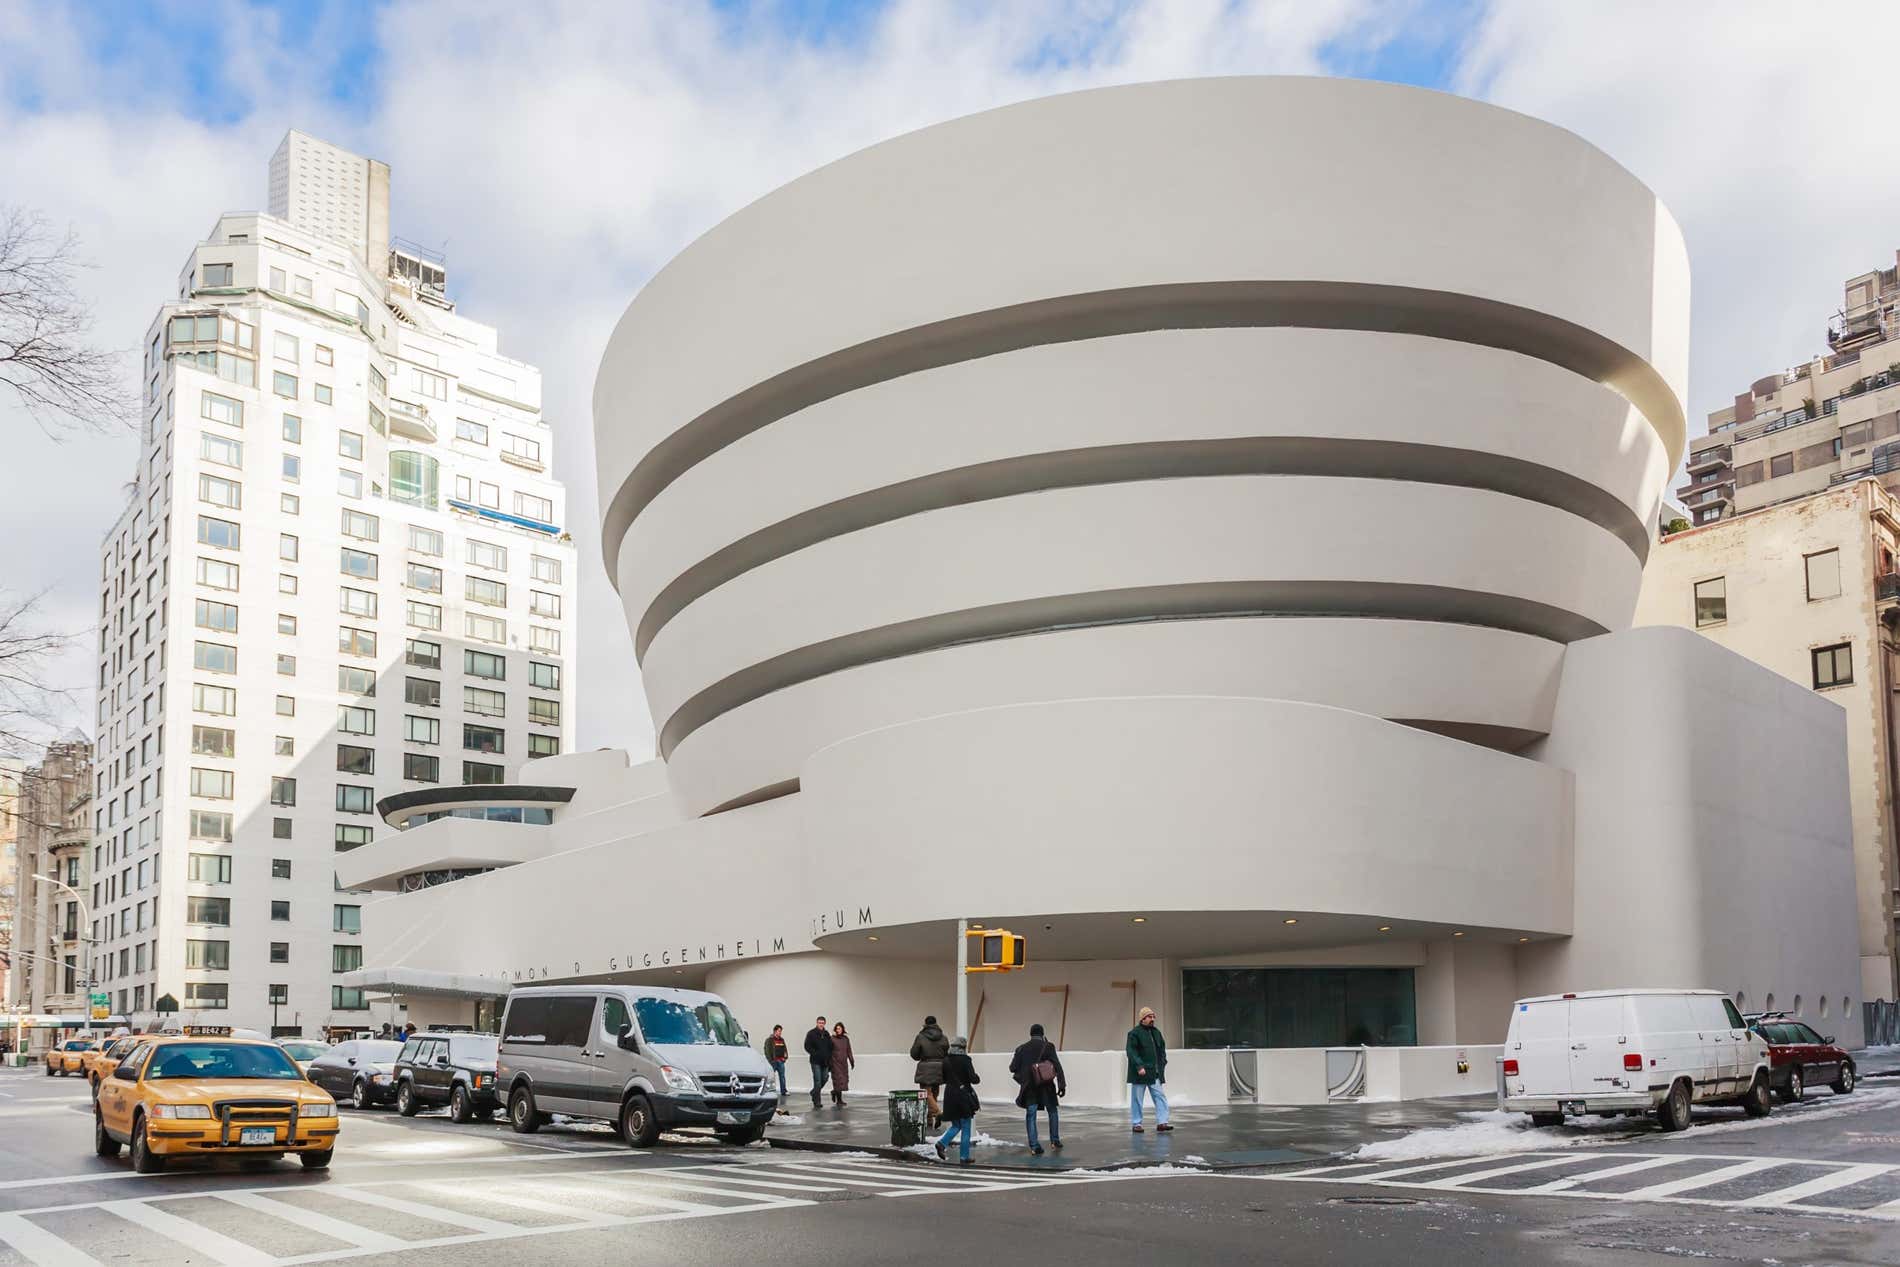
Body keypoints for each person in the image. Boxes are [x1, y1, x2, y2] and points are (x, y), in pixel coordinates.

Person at [1009, 1022, 1066, 1155]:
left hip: (1029, 1087)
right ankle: (1055, 1140)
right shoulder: (1048, 1046)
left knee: (1031, 1114)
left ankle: (1034, 1146)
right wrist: (1062, 1084)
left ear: (1031, 1034)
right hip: (1046, 1086)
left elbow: (1012, 1067)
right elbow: (1057, 1066)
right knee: (1052, 1111)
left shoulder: (1021, 1048)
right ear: (1042, 1034)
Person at [932, 1035, 981, 1166]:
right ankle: (964, 1157)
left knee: (956, 1125)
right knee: (965, 1126)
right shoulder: (965, 1060)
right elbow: (973, 1078)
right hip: (963, 1095)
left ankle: (941, 1144)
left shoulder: (946, 1060)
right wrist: (976, 1077)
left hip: (950, 1094)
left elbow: (943, 1078)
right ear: (963, 1048)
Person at [1126, 1005, 1171, 1132]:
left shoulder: (1156, 1033)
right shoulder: (1134, 1033)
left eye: (1153, 1017)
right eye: (1149, 1017)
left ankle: (1162, 1122)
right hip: (1139, 1073)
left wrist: (1163, 1062)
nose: (1152, 1019)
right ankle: (1137, 1123)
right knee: (1137, 1099)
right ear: (1142, 1019)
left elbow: (1161, 1049)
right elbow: (1131, 1052)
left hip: (1154, 1073)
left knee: (1160, 1097)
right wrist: (1139, 1066)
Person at [910, 1014, 950, 1125]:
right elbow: (947, 1053)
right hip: (940, 1067)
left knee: (926, 1094)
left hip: (925, 1067)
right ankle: (929, 1119)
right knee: (934, 1093)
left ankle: (937, 1113)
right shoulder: (943, 1037)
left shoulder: (920, 1037)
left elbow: (914, 1054)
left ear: (925, 1023)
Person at [803, 1016, 834, 1109]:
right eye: (819, 1022)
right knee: (817, 1081)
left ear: (825, 1023)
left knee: (824, 1078)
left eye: (822, 1023)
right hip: (815, 1061)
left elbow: (830, 1046)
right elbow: (807, 1046)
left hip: (825, 1062)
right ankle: (817, 1101)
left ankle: (814, 1092)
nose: (821, 1024)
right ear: (817, 1023)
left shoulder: (826, 1034)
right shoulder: (811, 1033)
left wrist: (829, 1056)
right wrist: (815, 1053)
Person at [763, 1024, 790, 1112]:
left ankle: (784, 1091)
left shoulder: (782, 1040)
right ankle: (770, 1090)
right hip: (773, 1061)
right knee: (771, 1077)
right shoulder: (769, 1040)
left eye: (781, 1031)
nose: (780, 1032)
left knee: (782, 1076)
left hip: (781, 1061)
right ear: (775, 1031)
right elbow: (766, 1050)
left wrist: (785, 1057)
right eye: (779, 1031)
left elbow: (785, 1049)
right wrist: (771, 1060)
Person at [828, 1021, 855, 1106]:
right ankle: (839, 1100)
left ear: (842, 1029)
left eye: (839, 1028)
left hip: (843, 1064)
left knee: (844, 1081)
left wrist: (851, 1061)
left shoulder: (846, 1039)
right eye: (837, 1028)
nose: (838, 1030)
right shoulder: (832, 1039)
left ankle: (834, 1092)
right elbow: (828, 1051)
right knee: (837, 1081)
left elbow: (849, 1050)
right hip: (835, 1063)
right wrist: (829, 1063)